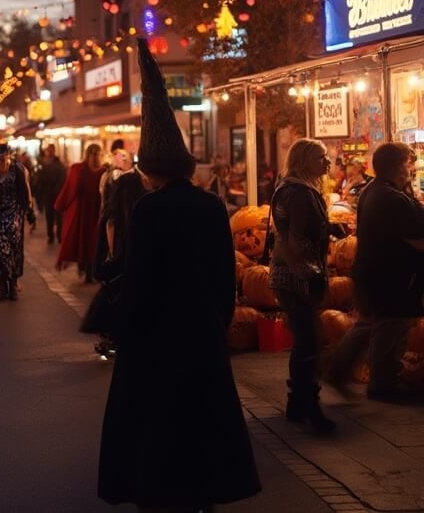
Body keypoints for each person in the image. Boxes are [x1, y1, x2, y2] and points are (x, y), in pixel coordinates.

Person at [99, 38, 260, 510]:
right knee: (203, 414)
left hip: (158, 332)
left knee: (158, 419)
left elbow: (142, 275)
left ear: (150, 169)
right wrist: (221, 316)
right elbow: (222, 266)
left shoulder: (148, 209)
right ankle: (206, 485)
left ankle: (161, 487)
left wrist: (127, 325)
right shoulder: (211, 205)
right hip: (202, 327)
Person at [327, 142, 424, 402]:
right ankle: (384, 384)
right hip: (393, 276)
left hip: (371, 271)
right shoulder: (392, 198)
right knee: (392, 327)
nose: (411, 167)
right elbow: (418, 239)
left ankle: (337, 368)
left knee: (369, 323)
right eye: (407, 163)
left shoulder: (375, 190)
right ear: (397, 166)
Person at [268, 138, 347, 434]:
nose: (328, 162)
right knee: (309, 342)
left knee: (305, 341)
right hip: (296, 276)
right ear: (302, 161)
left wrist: (328, 228)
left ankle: (297, 404)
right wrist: (309, 274)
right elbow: (294, 239)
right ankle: (310, 408)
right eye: (321, 158)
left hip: (291, 275)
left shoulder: (296, 189)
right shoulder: (299, 193)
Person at [81, 170, 149, 358]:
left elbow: (109, 235)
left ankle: (111, 339)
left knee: (113, 301)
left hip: (116, 267)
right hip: (131, 264)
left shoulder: (113, 210)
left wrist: (110, 258)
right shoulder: (140, 209)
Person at [0, 144, 36, 301]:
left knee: (14, 249)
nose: (2, 161)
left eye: (4, 157)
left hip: (14, 213)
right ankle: (3, 282)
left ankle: (14, 282)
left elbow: (26, 191)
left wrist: (30, 211)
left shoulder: (19, 169)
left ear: (9, 156)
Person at [54, 143, 105, 280]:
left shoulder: (103, 172)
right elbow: (69, 188)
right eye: (93, 154)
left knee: (94, 241)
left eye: (98, 154)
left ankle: (90, 271)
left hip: (96, 211)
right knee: (82, 239)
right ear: (88, 155)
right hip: (82, 212)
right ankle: (84, 267)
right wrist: (61, 204)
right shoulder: (78, 169)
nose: (95, 157)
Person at [33, 144, 67, 245]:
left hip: (55, 194)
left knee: (57, 216)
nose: (49, 152)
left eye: (50, 150)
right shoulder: (45, 164)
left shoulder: (57, 164)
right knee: (50, 216)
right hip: (49, 194)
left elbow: (62, 179)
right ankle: (51, 235)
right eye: (48, 150)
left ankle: (58, 235)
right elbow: (41, 179)